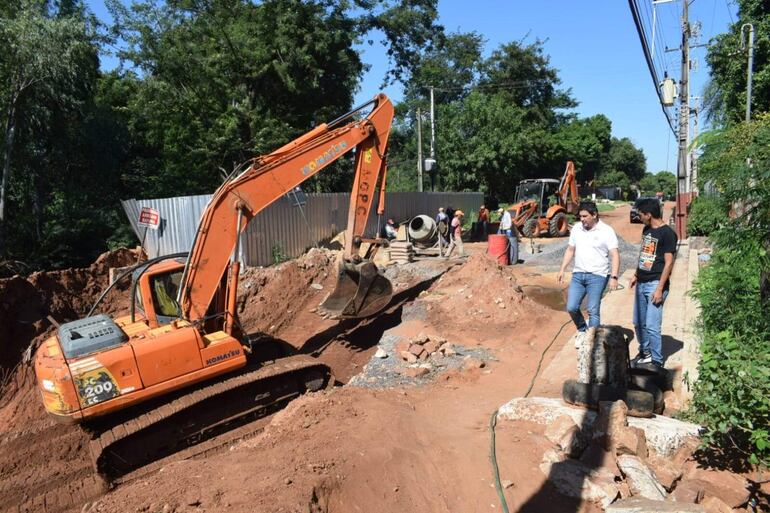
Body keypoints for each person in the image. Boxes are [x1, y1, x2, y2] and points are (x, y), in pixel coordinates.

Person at [557, 201, 620, 346]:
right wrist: (562, 269)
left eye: (585, 216)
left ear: (594, 214)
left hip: (598, 275)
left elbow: (615, 255)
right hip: (578, 274)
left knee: (593, 310)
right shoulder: (577, 229)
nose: (582, 219)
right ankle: (582, 329)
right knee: (571, 307)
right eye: (580, 216)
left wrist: (614, 277)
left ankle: (593, 342)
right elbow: (570, 250)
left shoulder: (606, 231)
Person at [630, 198, 677, 369]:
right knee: (638, 322)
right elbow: (644, 255)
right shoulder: (647, 230)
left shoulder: (668, 234)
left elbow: (669, 263)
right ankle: (645, 352)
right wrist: (636, 273)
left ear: (648, 215)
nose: (639, 217)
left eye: (640, 214)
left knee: (651, 325)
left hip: (655, 284)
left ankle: (656, 361)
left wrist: (659, 289)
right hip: (642, 281)